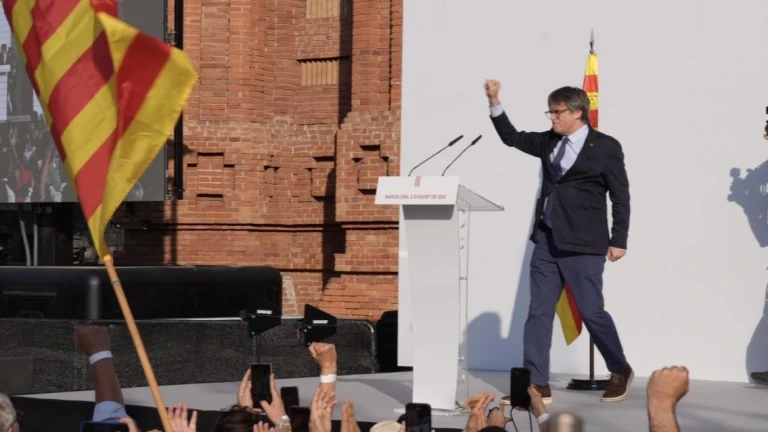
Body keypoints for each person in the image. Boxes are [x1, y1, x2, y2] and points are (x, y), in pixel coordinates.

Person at [484, 79, 633, 403]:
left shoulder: (606, 147)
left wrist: (619, 239)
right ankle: (537, 383)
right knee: (538, 313)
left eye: (557, 112)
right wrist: (494, 101)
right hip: (546, 240)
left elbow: (620, 196)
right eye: (550, 112)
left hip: (584, 244)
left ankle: (620, 369)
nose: (552, 117)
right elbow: (511, 137)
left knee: (592, 312)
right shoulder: (548, 141)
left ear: (577, 113)